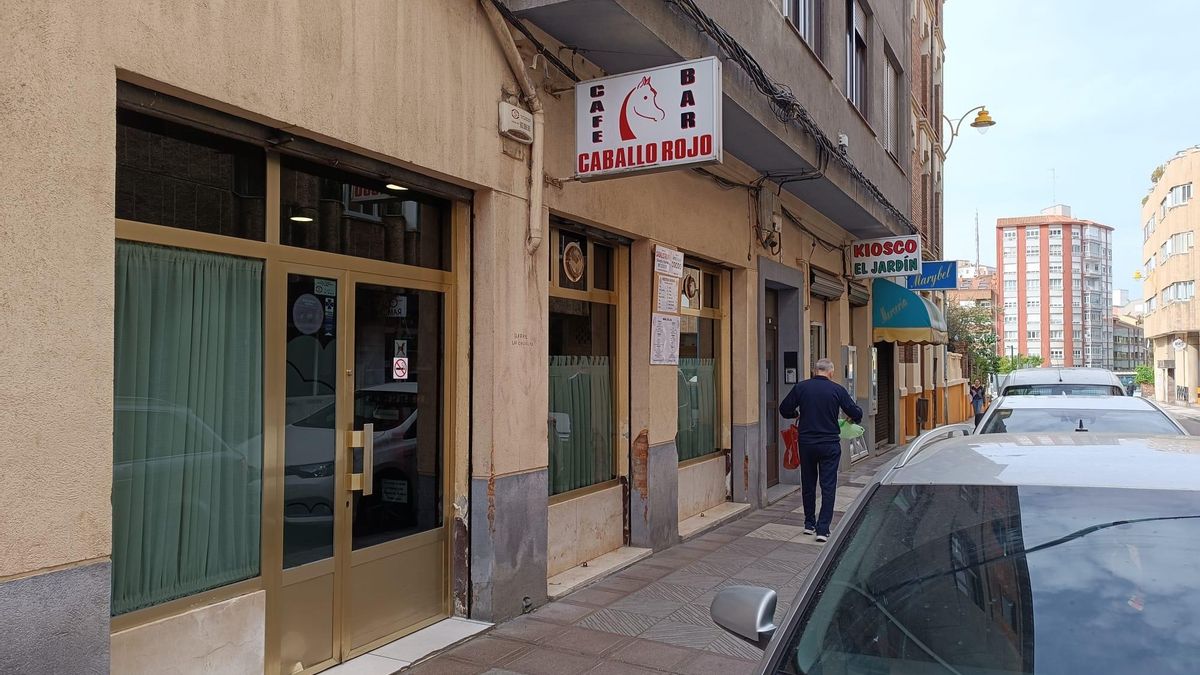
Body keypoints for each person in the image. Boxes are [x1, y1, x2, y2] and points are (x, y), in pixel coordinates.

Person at [778, 358, 863, 542]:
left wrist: (795, 414)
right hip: (829, 444)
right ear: (831, 372)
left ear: (814, 371)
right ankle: (823, 530)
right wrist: (852, 418)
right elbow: (856, 412)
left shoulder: (801, 387)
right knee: (828, 485)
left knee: (808, 483)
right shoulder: (837, 389)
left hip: (807, 443)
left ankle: (809, 524)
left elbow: (784, 409)